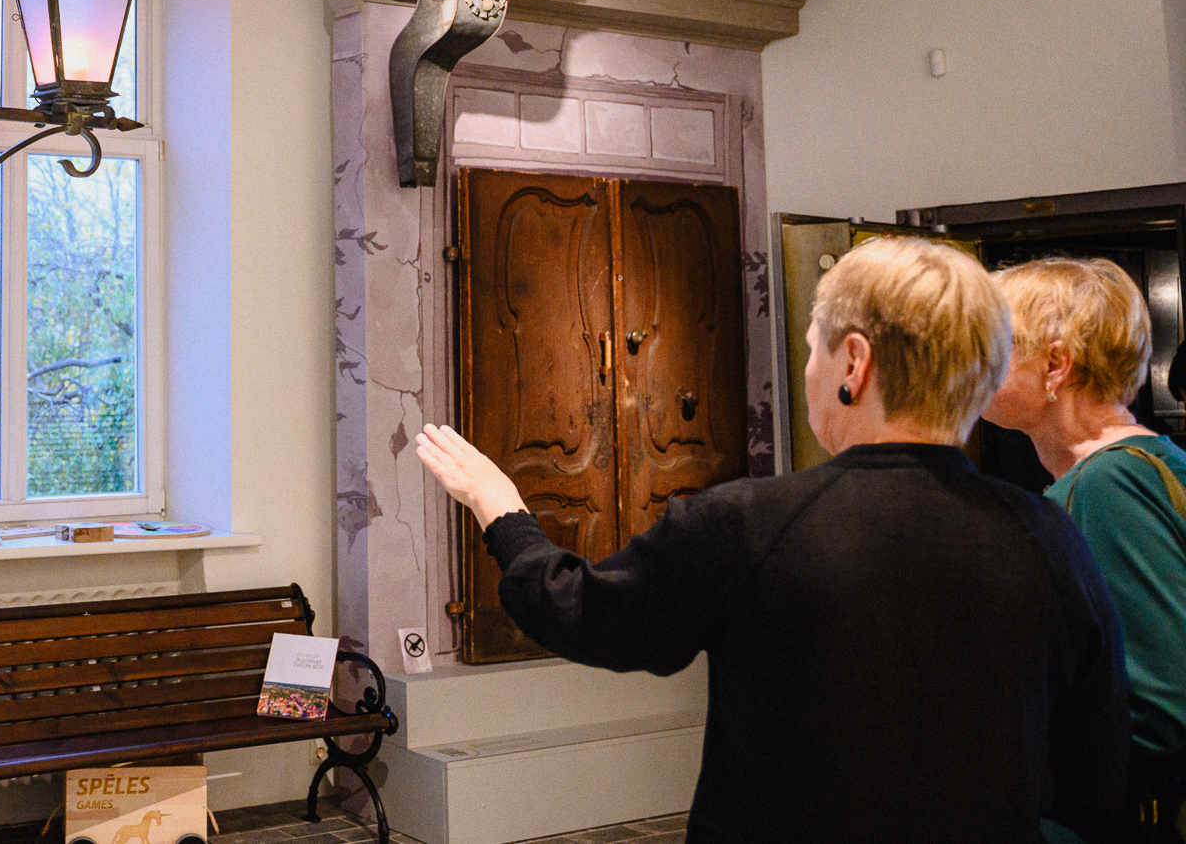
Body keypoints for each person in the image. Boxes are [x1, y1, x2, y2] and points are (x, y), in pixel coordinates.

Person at [416, 236, 1129, 844]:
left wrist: (499, 506)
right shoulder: (1049, 536)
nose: (809, 366)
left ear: (855, 364)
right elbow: (1095, 772)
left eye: (813, 347)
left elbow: (584, 612)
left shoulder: (750, 523)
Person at [985, 258, 1186, 842]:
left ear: (1055, 365)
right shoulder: (1136, 467)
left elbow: (1163, 712)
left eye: (990, 344)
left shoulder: (1108, 484)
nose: (967, 362)